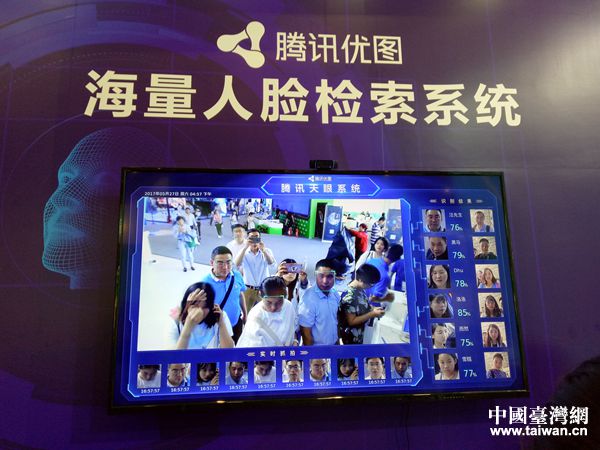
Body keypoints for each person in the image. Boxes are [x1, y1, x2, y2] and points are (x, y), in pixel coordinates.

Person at [166, 282, 235, 349]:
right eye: (195, 306)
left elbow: (229, 352)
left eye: (205, 307)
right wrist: (188, 325)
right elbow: (174, 356)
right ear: (186, 305)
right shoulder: (176, 321)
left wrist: (221, 324)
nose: (200, 311)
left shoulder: (220, 316)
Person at [201, 246, 247, 343]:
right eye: (220, 263)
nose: (225, 267)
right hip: (216, 328)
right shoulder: (204, 284)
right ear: (211, 263)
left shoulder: (237, 275)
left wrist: (245, 314)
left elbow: (240, 294)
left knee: (235, 348)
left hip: (236, 323)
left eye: (228, 262)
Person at [236, 276, 297, 347]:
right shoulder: (256, 316)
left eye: (278, 302)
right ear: (260, 295)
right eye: (268, 302)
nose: (273, 307)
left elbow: (292, 330)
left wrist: (295, 342)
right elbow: (252, 349)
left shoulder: (289, 306)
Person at [298, 259, 341, 345]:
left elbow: (335, 322)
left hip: (333, 349)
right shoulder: (308, 299)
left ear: (335, 276)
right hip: (317, 351)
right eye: (321, 276)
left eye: (329, 276)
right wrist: (312, 353)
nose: (325, 281)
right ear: (315, 275)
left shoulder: (335, 294)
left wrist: (337, 346)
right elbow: (306, 333)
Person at [339, 263, 384, 345]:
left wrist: (372, 309)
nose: (371, 286)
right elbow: (352, 321)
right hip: (351, 338)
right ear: (360, 279)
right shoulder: (350, 297)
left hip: (362, 332)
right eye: (370, 284)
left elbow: (362, 305)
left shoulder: (360, 289)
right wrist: (372, 314)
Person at [234, 229, 276, 313]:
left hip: (264, 289)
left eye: (256, 237)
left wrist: (264, 250)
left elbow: (272, 264)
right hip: (248, 289)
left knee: (266, 312)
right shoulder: (244, 252)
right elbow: (236, 265)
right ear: (248, 239)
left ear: (260, 239)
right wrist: (245, 247)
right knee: (246, 313)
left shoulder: (266, 251)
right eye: (251, 238)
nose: (254, 240)